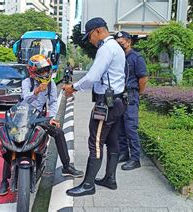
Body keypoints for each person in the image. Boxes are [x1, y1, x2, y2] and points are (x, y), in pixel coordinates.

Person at [0, 54, 84, 196]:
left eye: (46, 70)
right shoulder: (27, 82)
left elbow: (53, 102)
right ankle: (4, 181)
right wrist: (36, 91)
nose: (45, 73)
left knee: (59, 132)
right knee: (11, 142)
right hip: (23, 116)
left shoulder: (51, 84)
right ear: (33, 71)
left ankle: (67, 166)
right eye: (42, 71)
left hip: (39, 117)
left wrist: (52, 118)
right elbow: (25, 101)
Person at [63, 17, 127, 197]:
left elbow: (92, 77)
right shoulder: (116, 47)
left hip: (105, 105)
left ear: (98, 31)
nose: (90, 41)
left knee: (96, 142)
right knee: (112, 140)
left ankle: (88, 185)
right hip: (118, 102)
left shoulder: (106, 49)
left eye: (89, 36)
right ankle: (110, 179)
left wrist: (73, 87)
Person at [114, 31, 148, 170]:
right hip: (120, 95)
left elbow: (143, 79)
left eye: (121, 43)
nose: (119, 46)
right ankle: (124, 153)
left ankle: (135, 158)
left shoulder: (136, 58)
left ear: (129, 42)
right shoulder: (118, 57)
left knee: (131, 128)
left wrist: (136, 93)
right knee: (120, 126)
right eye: (117, 44)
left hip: (131, 95)